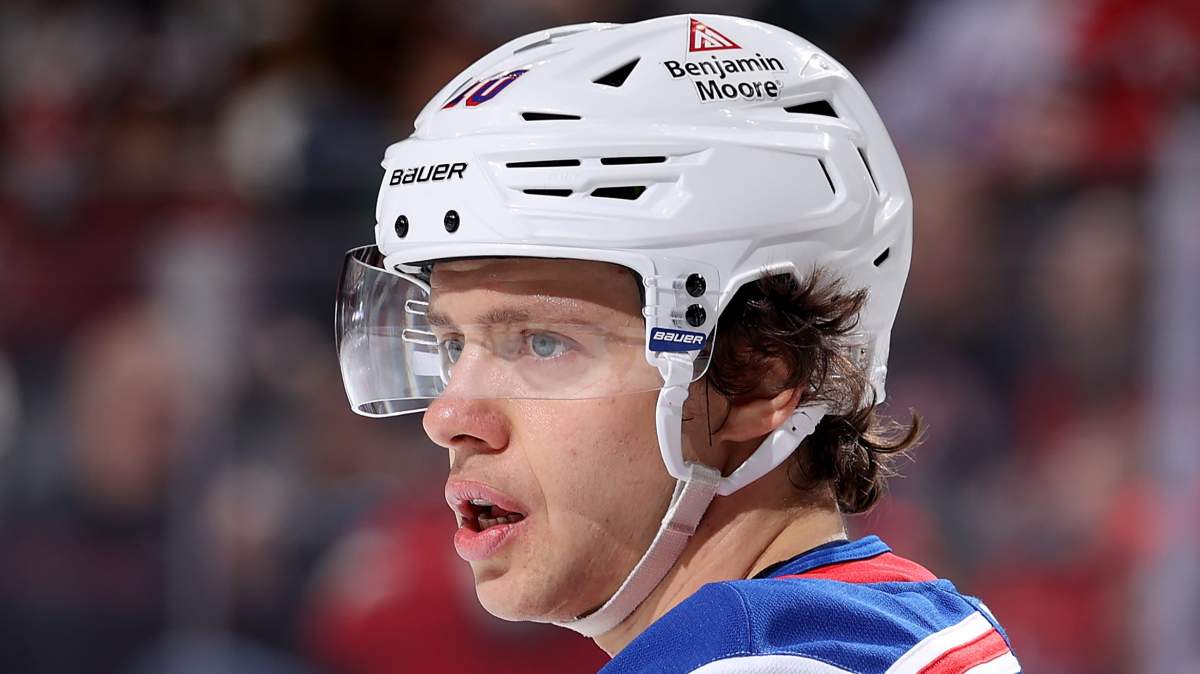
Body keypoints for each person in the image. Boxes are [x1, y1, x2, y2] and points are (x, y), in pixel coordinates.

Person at [334, 14, 1021, 674]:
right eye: (453, 346)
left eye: (542, 344)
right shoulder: (898, 629)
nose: (448, 418)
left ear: (756, 378)